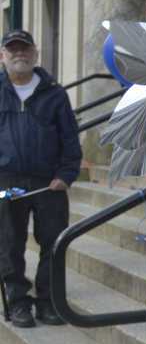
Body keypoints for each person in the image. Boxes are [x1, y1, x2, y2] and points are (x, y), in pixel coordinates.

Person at [0, 29, 81, 328]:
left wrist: (66, 175)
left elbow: (70, 139)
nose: (19, 54)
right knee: (9, 245)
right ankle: (18, 302)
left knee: (53, 244)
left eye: (25, 49)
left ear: (35, 54)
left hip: (50, 182)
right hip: (7, 181)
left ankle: (48, 303)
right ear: (3, 56)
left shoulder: (54, 93)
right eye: (13, 50)